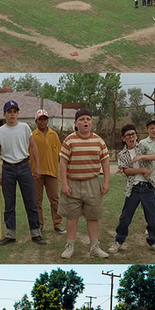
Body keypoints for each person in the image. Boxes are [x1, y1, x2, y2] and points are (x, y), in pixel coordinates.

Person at [58, 109, 110, 259]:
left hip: (92, 183)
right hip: (72, 183)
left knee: (93, 216)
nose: (85, 121)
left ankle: (94, 247)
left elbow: (105, 161)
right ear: (75, 123)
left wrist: (106, 181)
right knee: (72, 217)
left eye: (88, 119)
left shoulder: (99, 141)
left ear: (92, 122)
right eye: (82, 119)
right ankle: (70, 246)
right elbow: (63, 162)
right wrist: (64, 184)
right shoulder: (69, 140)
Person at [0, 100, 46, 246]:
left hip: (24, 167)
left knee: (31, 201)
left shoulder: (24, 128)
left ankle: (36, 233)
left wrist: (38, 167)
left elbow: (33, 146)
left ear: (18, 113)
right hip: (8, 169)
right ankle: (10, 234)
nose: (12, 114)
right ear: (4, 114)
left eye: (14, 112)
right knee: (9, 203)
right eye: (9, 112)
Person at [108, 124, 155, 254]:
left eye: (133, 134)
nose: (131, 137)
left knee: (151, 216)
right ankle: (119, 241)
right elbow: (127, 171)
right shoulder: (122, 154)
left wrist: (141, 157)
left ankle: (153, 241)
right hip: (133, 188)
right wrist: (143, 170)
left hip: (148, 187)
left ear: (136, 136)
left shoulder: (143, 146)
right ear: (123, 138)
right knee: (125, 217)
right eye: (128, 135)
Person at [29, 109, 65, 234]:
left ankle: (57, 223)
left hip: (52, 172)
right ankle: (39, 224)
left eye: (45, 119)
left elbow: (60, 154)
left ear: (47, 120)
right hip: (36, 173)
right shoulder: (32, 135)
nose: (43, 122)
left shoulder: (53, 135)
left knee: (55, 200)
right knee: (37, 201)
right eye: (40, 119)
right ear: (36, 121)